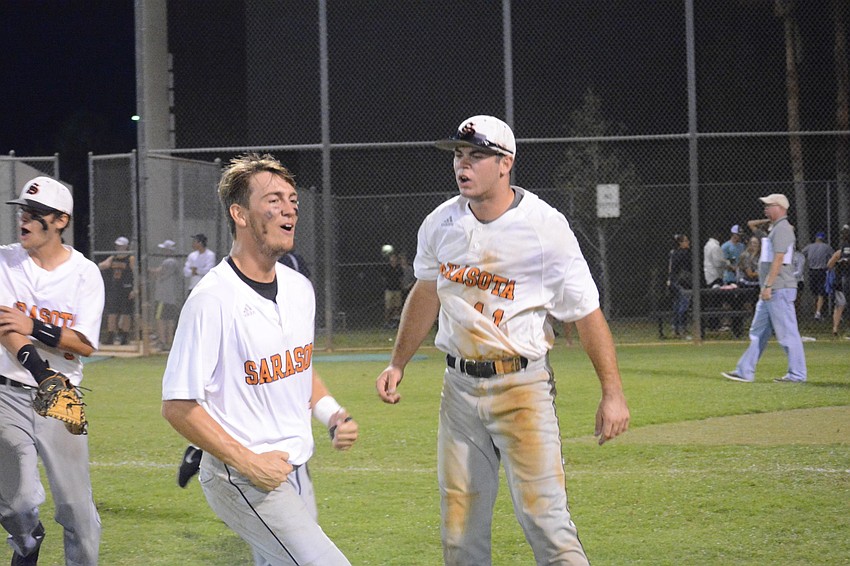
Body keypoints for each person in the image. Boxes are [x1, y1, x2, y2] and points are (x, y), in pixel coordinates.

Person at [375, 115, 629, 565]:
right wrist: (398, 363)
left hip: (522, 388)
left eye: (476, 155)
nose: (463, 165)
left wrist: (613, 394)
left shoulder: (544, 228)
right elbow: (426, 291)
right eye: (458, 154)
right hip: (458, 389)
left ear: (506, 162)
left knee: (545, 521)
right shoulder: (440, 224)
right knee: (459, 527)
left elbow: (586, 314)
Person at [162, 153, 358, 565]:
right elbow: (178, 406)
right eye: (273, 199)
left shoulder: (299, 287)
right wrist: (248, 462)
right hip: (243, 478)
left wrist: (334, 415)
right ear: (240, 214)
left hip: (294, 467)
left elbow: (297, 368)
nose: (289, 208)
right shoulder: (212, 299)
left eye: (292, 200)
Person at [0, 176, 104, 565]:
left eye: (35, 214)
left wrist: (37, 328)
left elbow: (84, 344)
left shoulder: (84, 273)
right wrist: (44, 375)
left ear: (60, 220)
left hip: (63, 399)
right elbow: (6, 330)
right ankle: (28, 542)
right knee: (18, 504)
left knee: (78, 511)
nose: (23, 219)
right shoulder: (5, 261)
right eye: (22, 211)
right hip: (7, 393)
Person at [722, 194, 807, 383]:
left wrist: (768, 285)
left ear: (780, 207)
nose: (765, 209)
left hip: (778, 289)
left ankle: (797, 374)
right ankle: (745, 371)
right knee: (758, 332)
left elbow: (779, 259)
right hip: (770, 290)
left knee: (787, 333)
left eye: (769, 205)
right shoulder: (776, 228)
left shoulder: (783, 229)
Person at [98, 235, 136, 345]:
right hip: (115, 288)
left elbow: (135, 273)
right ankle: (111, 335)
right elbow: (103, 265)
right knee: (112, 312)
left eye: (122, 246)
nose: (119, 248)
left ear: (126, 247)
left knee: (125, 313)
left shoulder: (130, 258)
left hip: (126, 287)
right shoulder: (113, 257)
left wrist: (135, 289)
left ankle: (124, 335)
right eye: (118, 246)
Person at [149, 239, 181, 351]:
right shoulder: (171, 261)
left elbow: (159, 273)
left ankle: (163, 342)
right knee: (168, 319)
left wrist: (148, 270)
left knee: (161, 319)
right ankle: (168, 342)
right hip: (169, 297)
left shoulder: (169, 262)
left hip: (164, 297)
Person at [801, 232, 834, 321]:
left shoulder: (809, 247)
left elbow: (802, 254)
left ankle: (816, 311)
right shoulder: (827, 247)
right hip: (822, 271)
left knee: (814, 292)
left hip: (812, 271)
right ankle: (818, 312)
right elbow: (833, 257)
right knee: (821, 293)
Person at [826, 224, 850, 337]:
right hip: (842, 281)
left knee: (840, 305)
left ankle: (835, 329)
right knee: (840, 304)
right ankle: (835, 329)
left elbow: (829, 265)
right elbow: (830, 264)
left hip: (841, 280)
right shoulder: (841, 252)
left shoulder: (840, 252)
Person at [667, 233, 692, 338]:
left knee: (676, 305)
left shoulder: (673, 253)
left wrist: (668, 279)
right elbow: (687, 268)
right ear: (680, 243)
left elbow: (670, 268)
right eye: (685, 241)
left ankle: (675, 328)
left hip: (673, 281)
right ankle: (682, 329)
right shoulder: (684, 253)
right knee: (683, 305)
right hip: (682, 282)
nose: (688, 242)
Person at [182, 233, 215, 298]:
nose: (192, 244)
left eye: (194, 242)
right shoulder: (192, 255)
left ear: (200, 243)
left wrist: (196, 271)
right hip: (193, 287)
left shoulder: (210, 255)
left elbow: (208, 270)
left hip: (205, 288)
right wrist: (193, 272)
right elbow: (185, 271)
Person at [381, 251, 404, 328]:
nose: (393, 259)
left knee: (397, 307)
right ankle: (387, 322)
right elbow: (384, 277)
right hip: (389, 289)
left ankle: (396, 322)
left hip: (397, 289)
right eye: (392, 258)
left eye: (395, 258)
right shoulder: (387, 267)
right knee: (388, 307)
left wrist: (401, 286)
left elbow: (401, 278)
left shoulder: (399, 268)